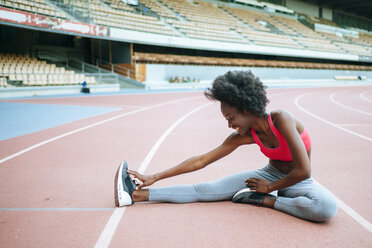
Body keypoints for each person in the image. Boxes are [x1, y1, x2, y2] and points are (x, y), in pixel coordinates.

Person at [114, 70, 338, 222]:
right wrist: (154, 176)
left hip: (299, 181)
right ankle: (137, 196)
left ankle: (265, 201)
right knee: (206, 190)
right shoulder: (243, 136)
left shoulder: (282, 119)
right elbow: (201, 160)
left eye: (231, 117)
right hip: (269, 175)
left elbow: (304, 170)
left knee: (326, 207)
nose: (229, 124)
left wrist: (268, 190)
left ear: (246, 109)